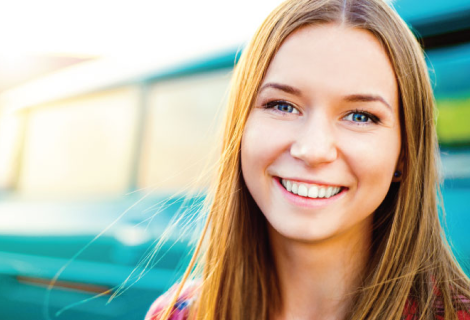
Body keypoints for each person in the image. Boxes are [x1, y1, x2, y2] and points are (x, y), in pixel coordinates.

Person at [145, 0, 470, 319]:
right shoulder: (178, 314)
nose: (314, 150)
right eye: (282, 106)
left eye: (360, 116)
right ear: (240, 127)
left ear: (405, 153)